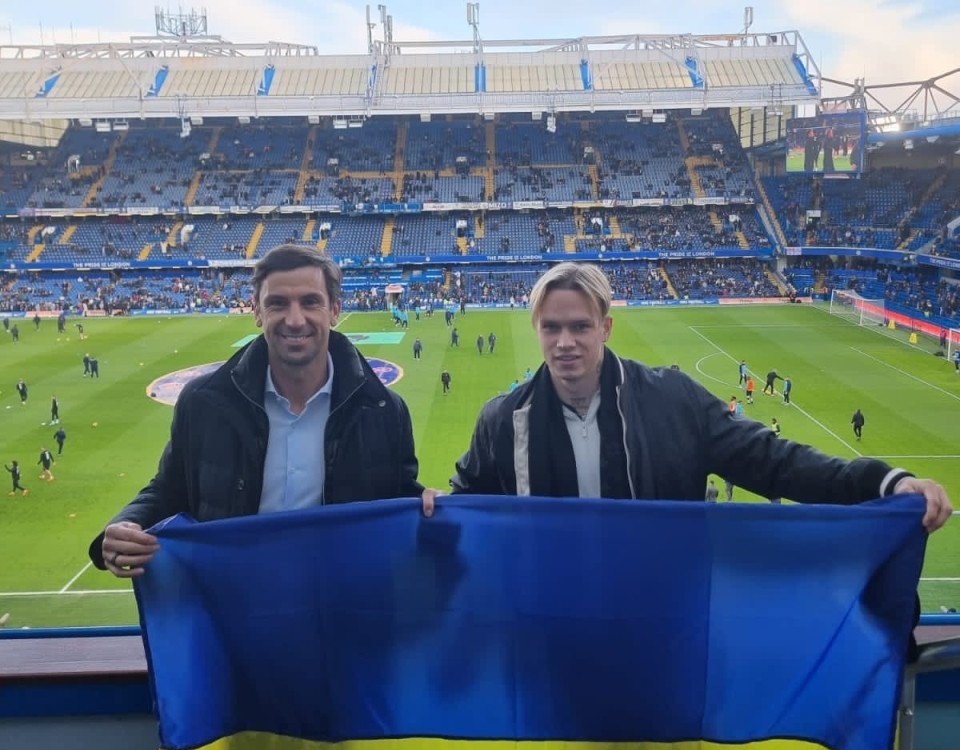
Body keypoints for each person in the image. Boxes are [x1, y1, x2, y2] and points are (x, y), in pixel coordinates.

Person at [449, 262, 952, 534]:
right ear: (536, 329)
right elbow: (460, 508)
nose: (565, 342)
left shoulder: (672, 401)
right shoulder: (503, 420)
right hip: (550, 619)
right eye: (551, 327)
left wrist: (882, 481)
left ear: (605, 328)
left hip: (659, 617)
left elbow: (773, 461)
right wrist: (426, 508)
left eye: (580, 326)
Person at [90, 244, 434, 579]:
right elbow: (169, 489)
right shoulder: (204, 403)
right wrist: (128, 522)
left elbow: (399, 500)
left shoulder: (384, 411)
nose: (295, 320)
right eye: (278, 303)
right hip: (237, 604)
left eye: (310, 302)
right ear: (257, 311)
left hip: (337, 605)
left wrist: (437, 508)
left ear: (334, 310)